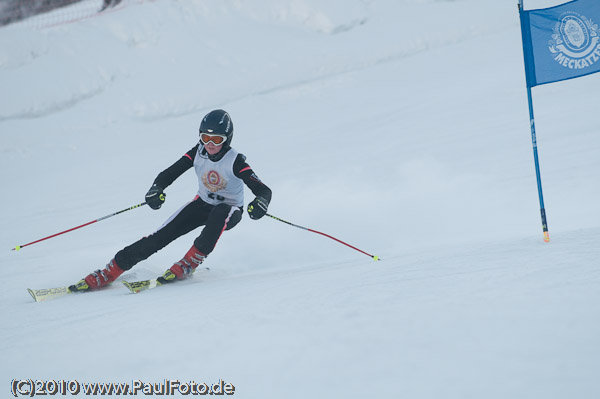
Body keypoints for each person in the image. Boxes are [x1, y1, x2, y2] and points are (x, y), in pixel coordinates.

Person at [69, 109, 272, 292]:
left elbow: (263, 190)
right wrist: (157, 189)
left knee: (220, 212)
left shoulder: (235, 161)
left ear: (227, 140)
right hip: (202, 204)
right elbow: (169, 173)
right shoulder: (198, 152)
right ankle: (111, 270)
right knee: (160, 236)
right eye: (205, 137)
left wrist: (260, 203)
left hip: (229, 210)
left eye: (216, 139)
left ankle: (190, 261)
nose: (209, 144)